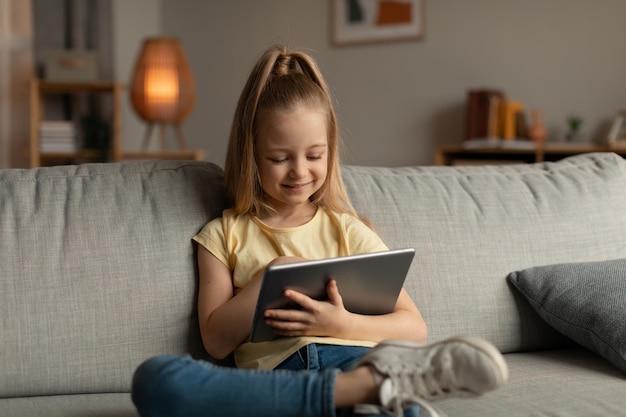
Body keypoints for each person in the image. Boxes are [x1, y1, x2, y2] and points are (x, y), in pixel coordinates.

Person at [131, 45, 508, 417]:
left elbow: (414, 329)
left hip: (351, 358)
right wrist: (268, 278)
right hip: (275, 387)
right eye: (279, 158)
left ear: (330, 150)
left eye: (314, 156)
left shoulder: (347, 231)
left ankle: (368, 392)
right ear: (250, 154)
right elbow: (215, 342)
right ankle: (369, 392)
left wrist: (340, 323)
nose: (299, 171)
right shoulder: (222, 236)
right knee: (156, 379)